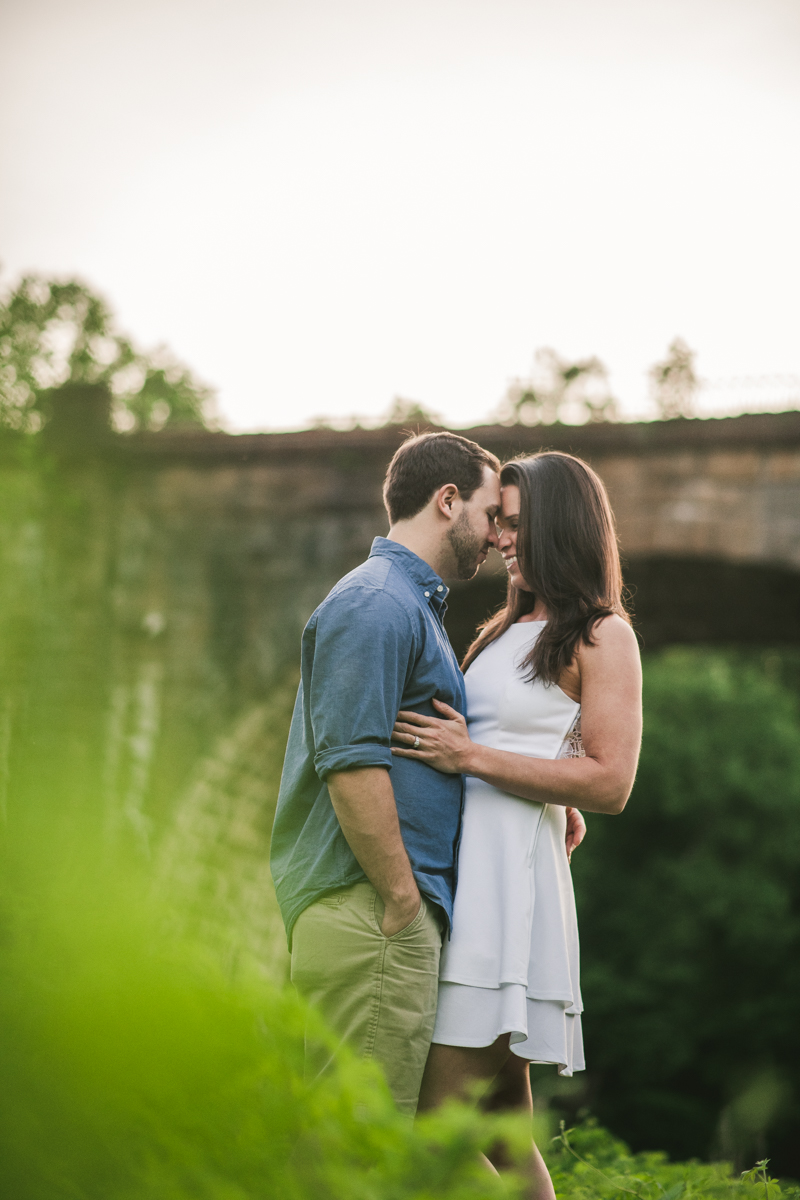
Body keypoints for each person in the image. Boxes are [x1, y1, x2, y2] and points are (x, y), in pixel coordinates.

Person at [391, 451, 643, 1197]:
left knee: (430, 1126)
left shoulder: (603, 635)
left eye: (518, 524)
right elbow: (541, 745)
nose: (500, 536)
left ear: (563, 528)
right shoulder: (504, 629)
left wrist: (474, 758)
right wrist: (542, 787)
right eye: (498, 520)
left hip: (510, 900)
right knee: (503, 1132)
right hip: (474, 883)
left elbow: (611, 780)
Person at [270, 430, 502, 1116]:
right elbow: (350, 762)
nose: (495, 536)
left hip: (380, 913)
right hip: (373, 911)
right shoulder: (377, 602)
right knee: (357, 1144)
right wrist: (402, 897)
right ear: (448, 500)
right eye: (490, 515)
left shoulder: (408, 605)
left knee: (367, 1140)